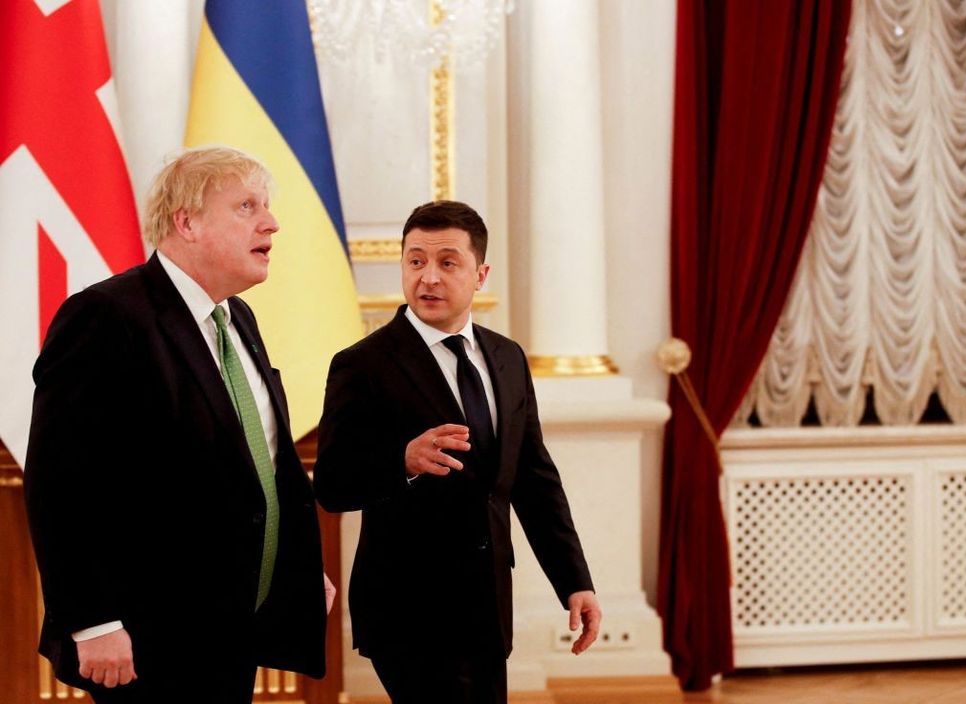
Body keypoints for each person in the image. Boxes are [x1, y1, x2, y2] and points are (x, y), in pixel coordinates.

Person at [24, 146, 333, 703]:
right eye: (246, 206)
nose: (272, 223)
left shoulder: (236, 316)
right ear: (186, 222)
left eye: (265, 206)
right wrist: (92, 621)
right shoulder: (107, 316)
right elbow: (59, 483)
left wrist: (300, 571)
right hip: (144, 637)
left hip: (233, 624)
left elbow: (259, 462)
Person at [315, 200, 601, 703]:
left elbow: (534, 480)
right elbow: (333, 484)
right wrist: (400, 461)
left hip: (487, 607)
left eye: (447, 262)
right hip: (406, 609)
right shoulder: (362, 364)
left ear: (480, 273)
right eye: (415, 261)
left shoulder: (507, 358)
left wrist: (574, 581)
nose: (428, 277)